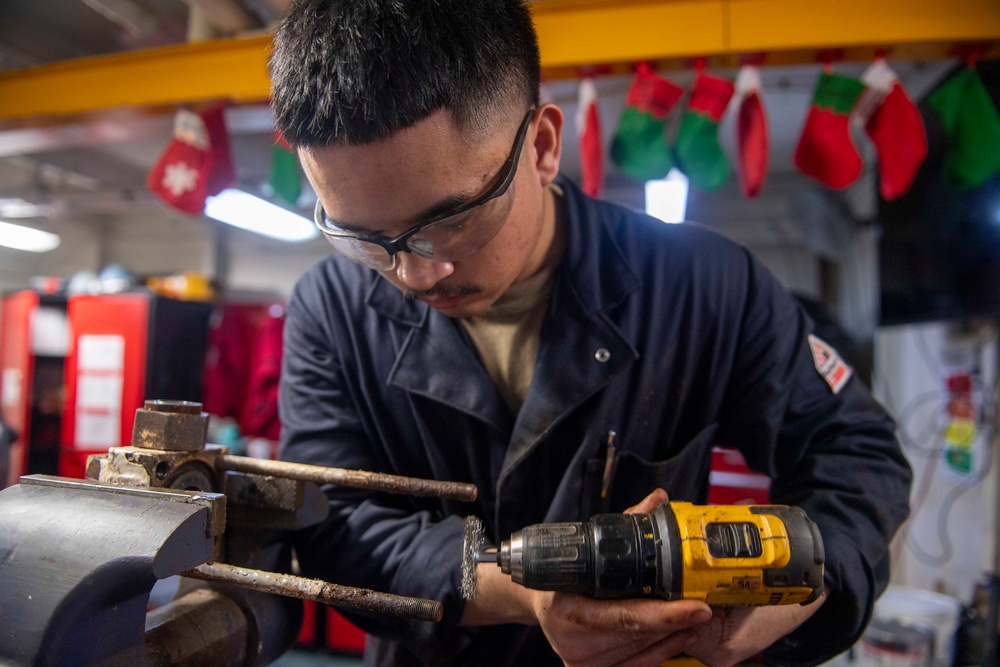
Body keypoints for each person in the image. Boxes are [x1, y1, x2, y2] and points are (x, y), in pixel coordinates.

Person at [270, 2, 912, 665]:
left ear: (543, 145)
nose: (414, 271)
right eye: (365, 238)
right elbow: (333, 520)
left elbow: (858, 454)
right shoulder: (331, 309)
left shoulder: (704, 284)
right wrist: (521, 593)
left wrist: (802, 585)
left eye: (452, 220)